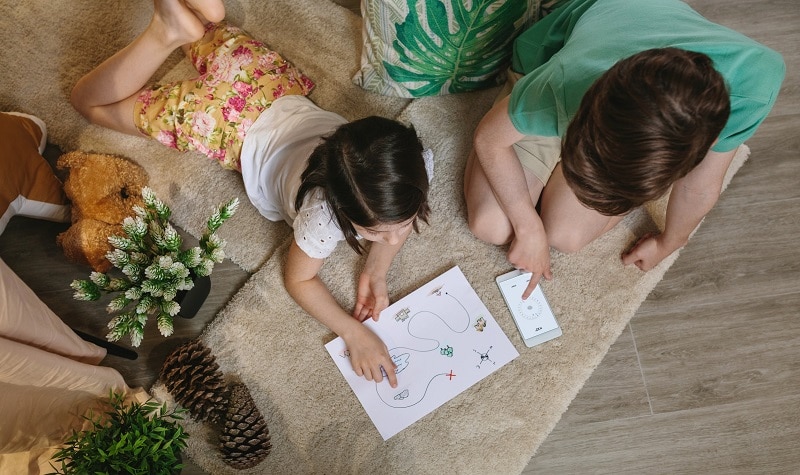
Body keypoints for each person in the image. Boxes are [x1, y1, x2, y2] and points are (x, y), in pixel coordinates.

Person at [70, 0, 434, 388]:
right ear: (338, 208)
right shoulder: (320, 217)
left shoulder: (412, 161)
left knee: (208, 21)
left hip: (259, 78)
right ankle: (162, 33)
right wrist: (352, 331)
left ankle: (182, 25)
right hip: (218, 122)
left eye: (404, 224)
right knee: (88, 104)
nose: (396, 239)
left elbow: (392, 226)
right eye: (379, 233)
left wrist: (376, 271)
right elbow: (300, 281)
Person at [464, 0, 785, 299]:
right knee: (491, 224)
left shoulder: (754, 84)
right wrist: (527, 226)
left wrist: (669, 242)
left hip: (619, 71)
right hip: (572, 62)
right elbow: (490, 139)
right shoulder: (566, 77)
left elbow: (698, 186)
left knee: (566, 237)